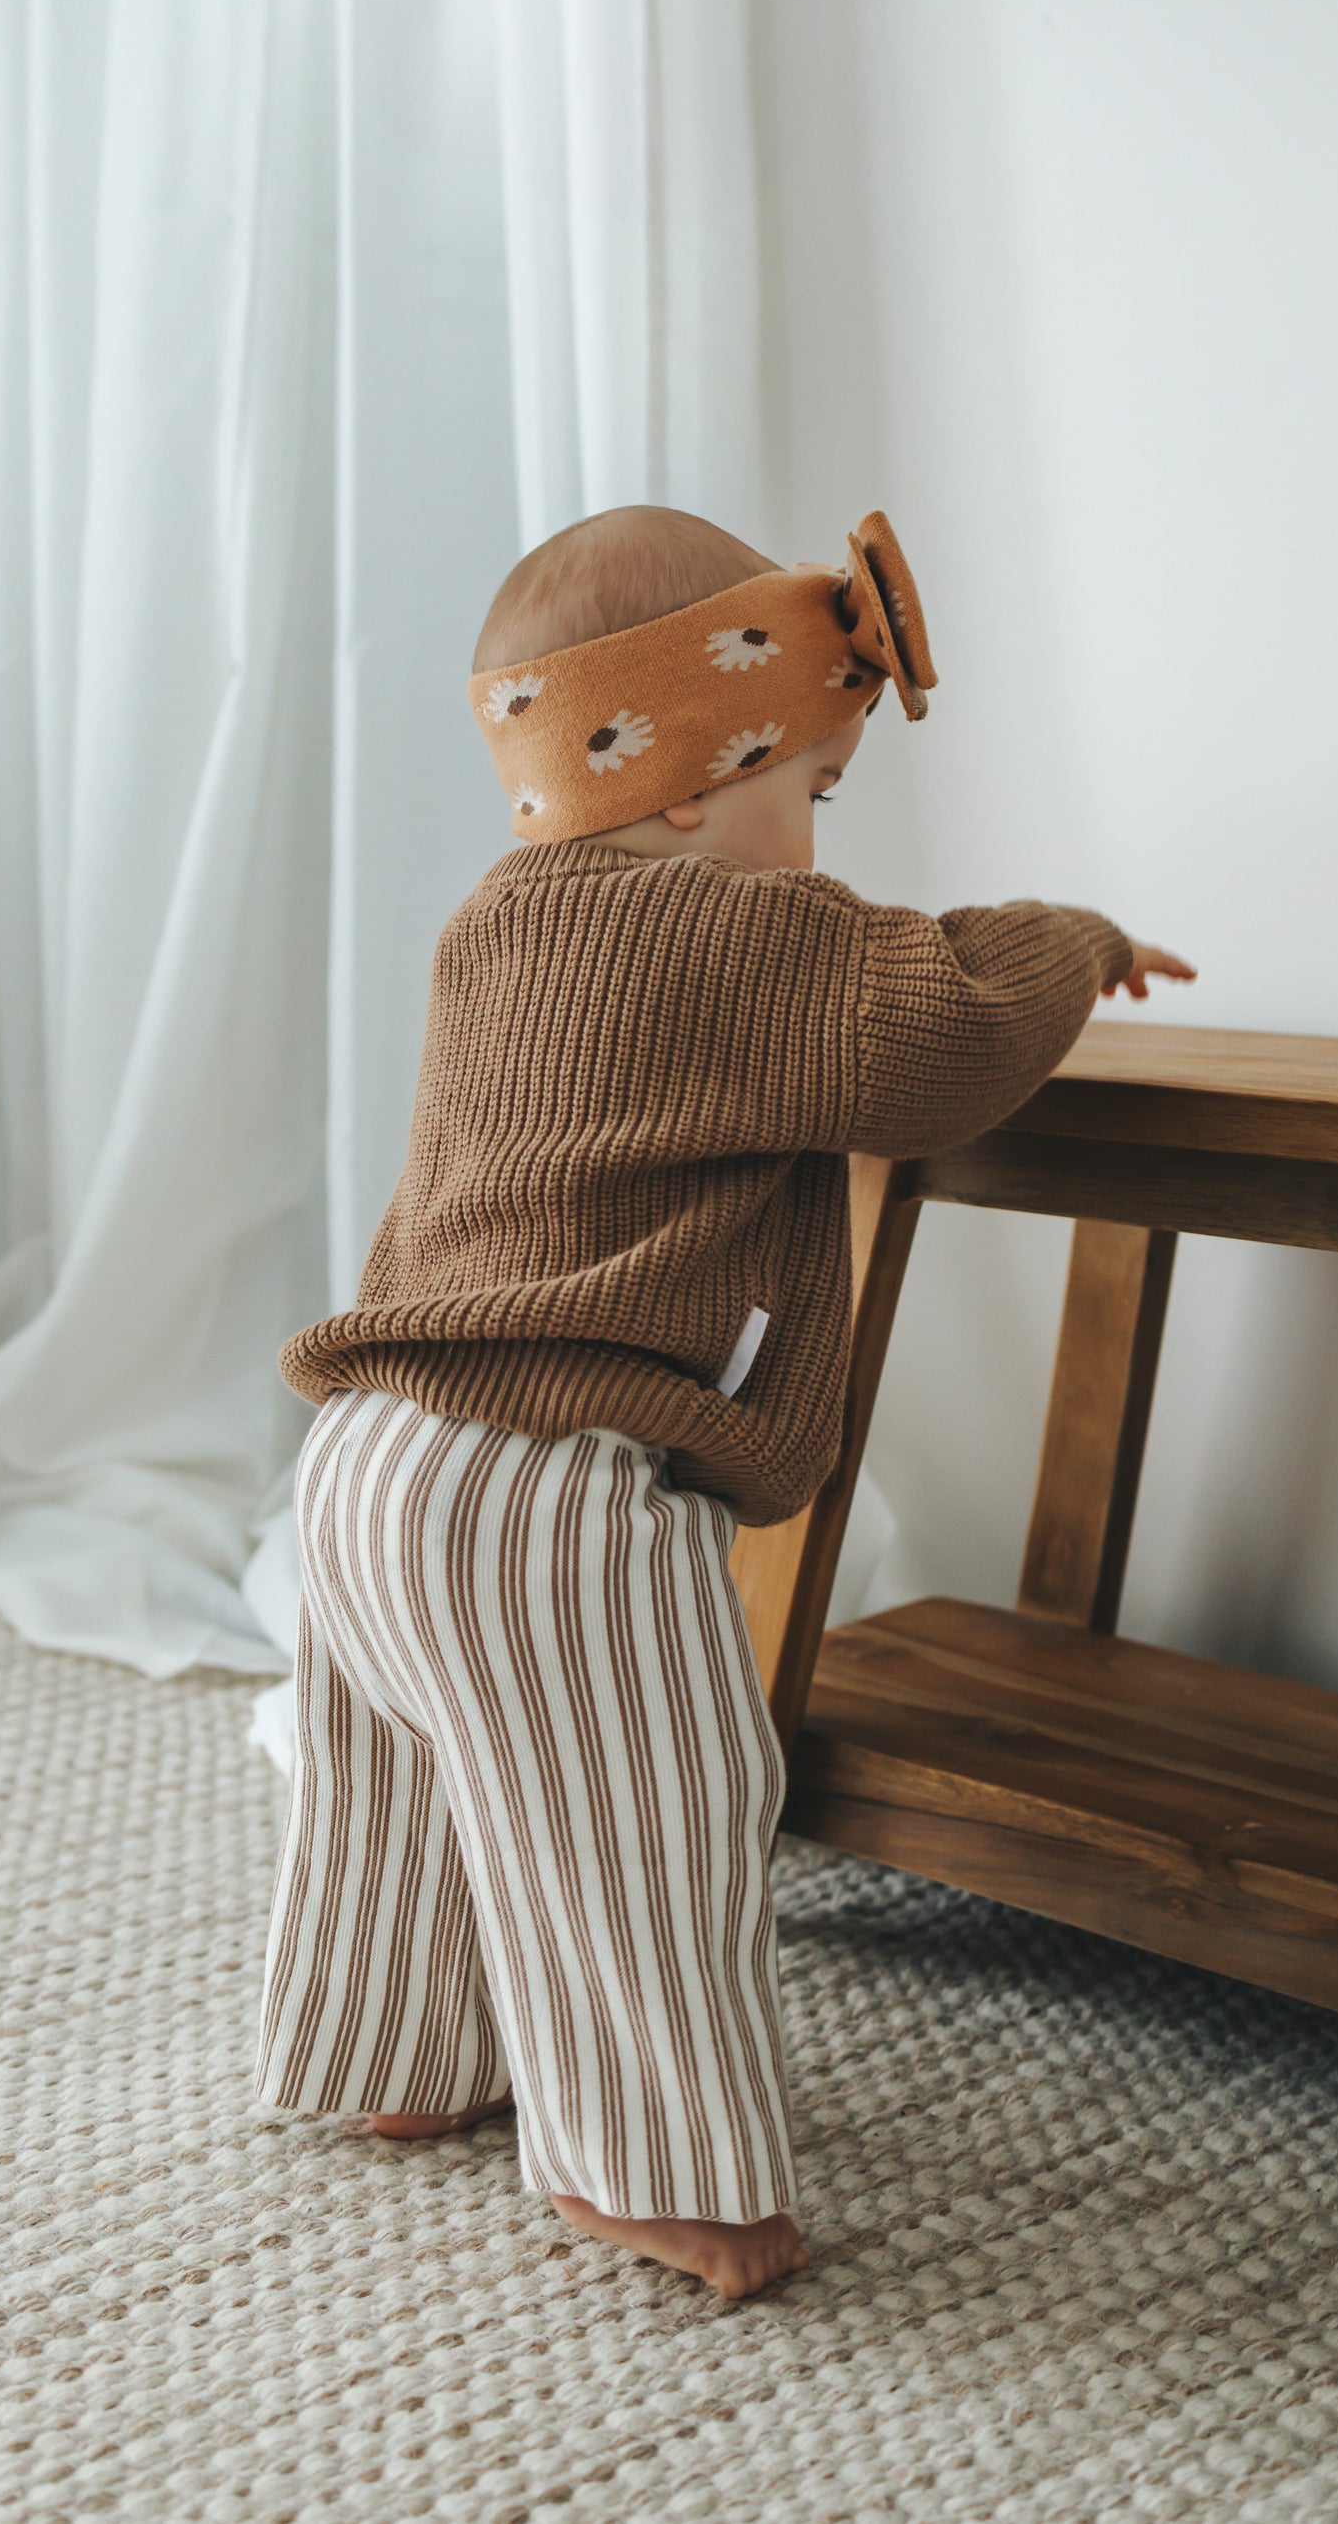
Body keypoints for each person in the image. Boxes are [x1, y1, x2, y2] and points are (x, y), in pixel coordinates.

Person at [255, 506, 1195, 2300]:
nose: (817, 836)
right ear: (690, 781)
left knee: (416, 1785)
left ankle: (399, 2054)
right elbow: (928, 1038)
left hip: (368, 1450)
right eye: (813, 789)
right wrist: (1066, 938)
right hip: (538, 1485)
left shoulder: (495, 925)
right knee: (648, 1804)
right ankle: (655, 2169)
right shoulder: (728, 934)